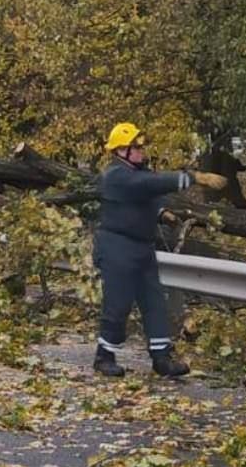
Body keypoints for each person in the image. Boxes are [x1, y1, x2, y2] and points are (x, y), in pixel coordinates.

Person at [93, 122, 227, 378]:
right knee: (118, 303)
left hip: (142, 248)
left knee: (154, 302)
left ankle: (161, 358)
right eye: (136, 147)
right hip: (117, 248)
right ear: (121, 150)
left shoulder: (136, 172)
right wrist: (193, 177)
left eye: (141, 147)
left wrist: (161, 212)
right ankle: (104, 357)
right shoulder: (116, 175)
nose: (141, 151)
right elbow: (148, 184)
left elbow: (146, 196)